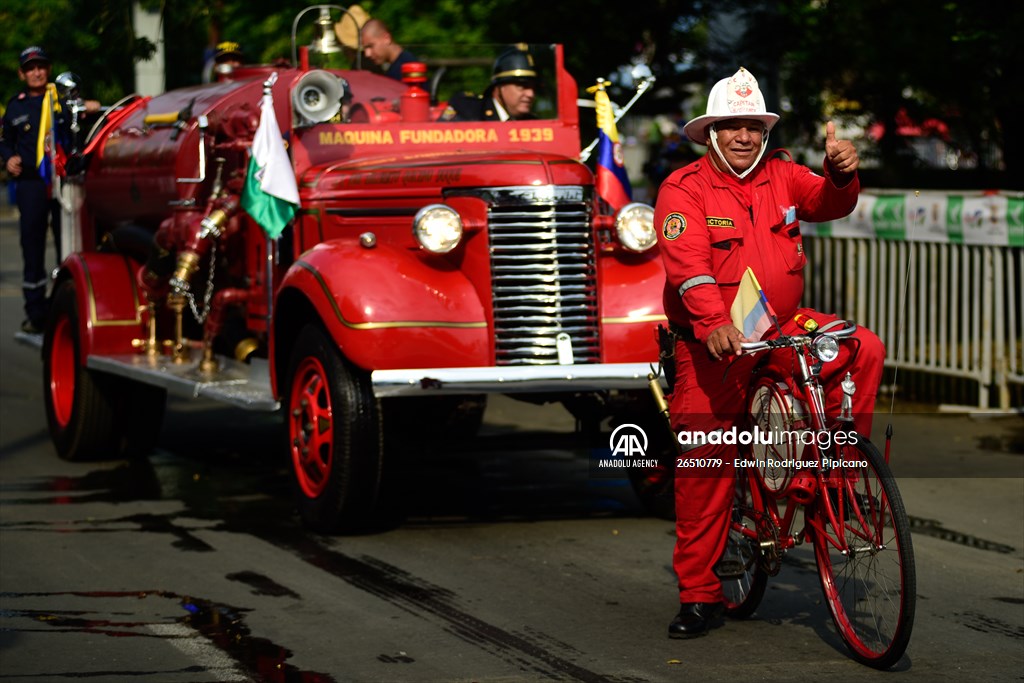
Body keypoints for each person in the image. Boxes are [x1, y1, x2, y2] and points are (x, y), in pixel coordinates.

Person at [653, 66, 885, 639]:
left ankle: (837, 474)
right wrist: (712, 323)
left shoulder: (782, 173)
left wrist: (839, 173)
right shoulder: (683, 188)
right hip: (714, 342)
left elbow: (829, 202)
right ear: (710, 133)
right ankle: (700, 595)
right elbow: (687, 267)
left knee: (862, 347)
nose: (744, 137)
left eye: (752, 126)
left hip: (777, 326)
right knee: (707, 462)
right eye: (731, 126)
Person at [1, 47, 71, 334]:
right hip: (30, 184)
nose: (36, 72)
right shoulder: (15, 106)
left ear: (49, 69)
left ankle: (65, 308)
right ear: (22, 73)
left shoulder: (62, 101)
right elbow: (5, 140)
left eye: (41, 66)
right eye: (30, 68)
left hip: (62, 183)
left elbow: (77, 133)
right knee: (32, 245)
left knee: (67, 245)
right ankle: (36, 312)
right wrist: (8, 157)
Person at [440, 45, 537, 122]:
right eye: (522, 86)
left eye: (533, 87)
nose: (530, 94)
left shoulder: (534, 123)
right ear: (500, 86)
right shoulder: (469, 111)